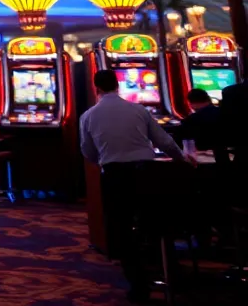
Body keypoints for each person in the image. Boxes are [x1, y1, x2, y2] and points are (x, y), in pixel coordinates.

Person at [79, 69, 195, 302]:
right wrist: (183, 159)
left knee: (122, 229)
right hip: (147, 172)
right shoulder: (138, 109)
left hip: (114, 174)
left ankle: (138, 284)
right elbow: (164, 141)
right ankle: (169, 271)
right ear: (117, 85)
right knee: (155, 222)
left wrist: (104, 160)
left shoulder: (88, 116)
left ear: (96, 88)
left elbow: (88, 151)